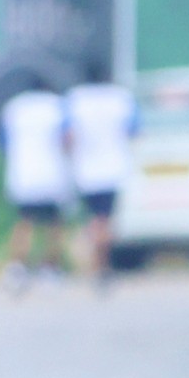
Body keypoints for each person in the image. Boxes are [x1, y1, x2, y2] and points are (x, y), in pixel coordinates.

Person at [64, 61, 139, 289]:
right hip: (113, 169)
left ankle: (96, 265)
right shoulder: (120, 98)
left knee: (94, 220)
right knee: (105, 221)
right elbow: (134, 131)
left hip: (86, 171)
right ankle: (102, 267)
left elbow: (68, 136)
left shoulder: (75, 99)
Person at [0, 81, 70, 289]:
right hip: (52, 174)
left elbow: (4, 142)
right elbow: (67, 139)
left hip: (23, 174)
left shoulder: (14, 108)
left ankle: (16, 268)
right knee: (54, 224)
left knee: (24, 222)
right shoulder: (58, 106)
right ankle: (50, 269)